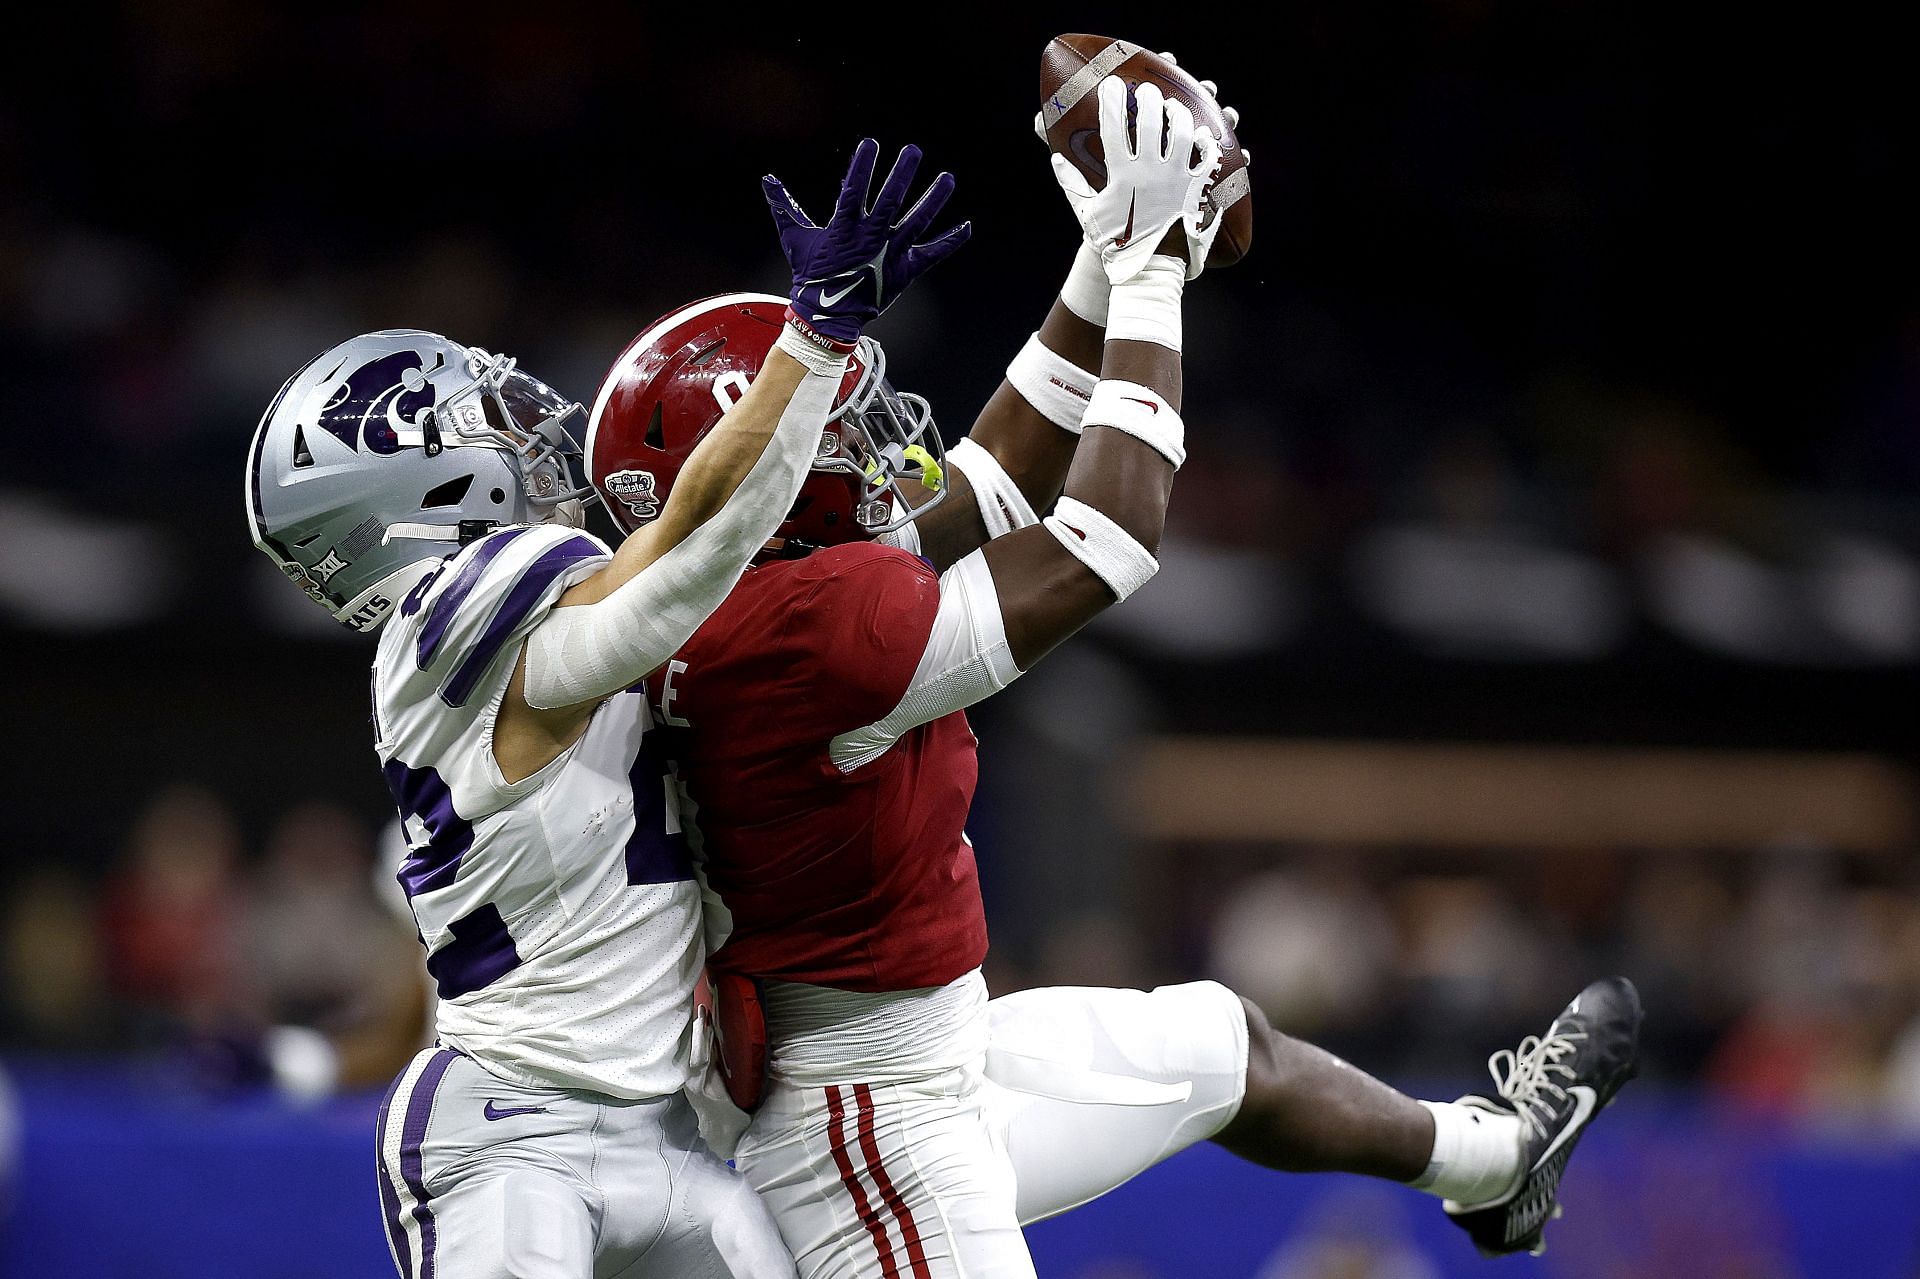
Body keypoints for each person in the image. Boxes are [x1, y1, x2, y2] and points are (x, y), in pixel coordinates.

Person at [585, 75, 1641, 1277]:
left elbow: (988, 484)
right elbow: (1103, 540)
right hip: (868, 1131)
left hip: (916, 1057)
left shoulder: (726, 599)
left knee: (1221, 1045)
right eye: (826, 423)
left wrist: (1097, 257)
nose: (867, 443)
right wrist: (1148, 269)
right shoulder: (799, 634)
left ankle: (1496, 1163)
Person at [245, 139, 969, 1279]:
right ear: (417, 488)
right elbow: (688, 545)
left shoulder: (537, 632)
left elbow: (693, 570)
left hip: (663, 1137)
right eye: (477, 422)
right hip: (509, 1136)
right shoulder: (447, 613)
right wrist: (811, 341)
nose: (526, 426)